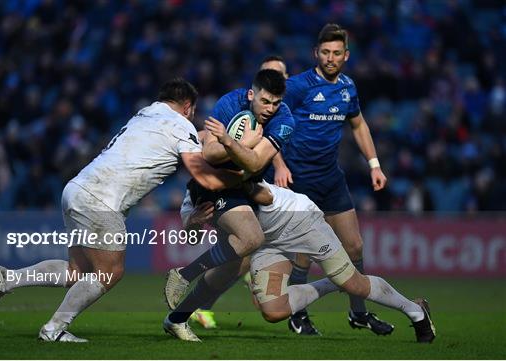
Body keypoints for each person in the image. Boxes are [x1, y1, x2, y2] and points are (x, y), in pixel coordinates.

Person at [0, 78, 243, 342]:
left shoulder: (144, 115)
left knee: (77, 271)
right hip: (102, 199)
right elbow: (204, 177)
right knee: (110, 272)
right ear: (188, 107)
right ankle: (53, 329)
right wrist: (243, 176)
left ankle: (8, 278)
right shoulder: (180, 125)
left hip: (77, 188)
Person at [173, 182, 436, 344]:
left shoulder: (233, 171)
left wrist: (246, 185)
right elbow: (191, 235)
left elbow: (267, 197)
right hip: (266, 241)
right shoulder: (193, 195)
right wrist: (194, 222)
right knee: (274, 312)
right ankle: (332, 284)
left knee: (355, 285)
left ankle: (415, 311)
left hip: (299, 222)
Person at [265, 23, 393, 335]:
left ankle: (358, 313)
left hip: (330, 179)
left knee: (354, 247)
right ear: (316, 54)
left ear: (346, 56)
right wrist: (279, 165)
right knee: (304, 255)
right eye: (325, 52)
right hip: (297, 181)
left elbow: (359, 125)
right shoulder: (296, 87)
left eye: (337, 53)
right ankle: (299, 314)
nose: (331, 58)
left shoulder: (348, 87)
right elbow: (268, 122)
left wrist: (374, 165)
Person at [163, 69, 294, 310]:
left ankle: (179, 317)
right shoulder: (229, 103)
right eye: (264, 101)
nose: (270, 109)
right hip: (213, 181)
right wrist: (245, 143)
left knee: (236, 265)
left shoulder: (285, 121)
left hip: (242, 186)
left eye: (276, 103)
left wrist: (230, 141)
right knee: (252, 238)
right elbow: (210, 152)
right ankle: (183, 275)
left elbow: (255, 163)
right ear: (251, 94)